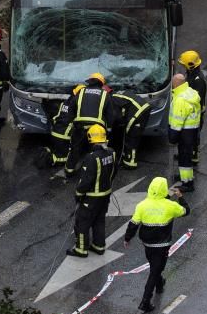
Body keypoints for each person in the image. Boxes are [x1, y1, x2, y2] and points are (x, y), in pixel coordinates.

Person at [123, 177, 190, 313]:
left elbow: (133, 224)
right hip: (162, 245)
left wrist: (127, 238)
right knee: (155, 270)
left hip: (147, 244)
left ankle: (159, 283)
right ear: (164, 190)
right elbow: (186, 211)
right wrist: (180, 197)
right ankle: (145, 301)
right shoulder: (170, 206)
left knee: (155, 266)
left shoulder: (142, 205)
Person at [66, 125, 116, 258]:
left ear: (90, 138)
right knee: (99, 220)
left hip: (92, 197)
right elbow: (114, 172)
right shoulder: (112, 153)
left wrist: (78, 193)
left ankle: (81, 249)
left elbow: (86, 180)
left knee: (82, 221)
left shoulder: (91, 157)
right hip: (105, 194)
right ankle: (99, 246)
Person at [63, 73, 116, 177]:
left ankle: (69, 170)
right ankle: (94, 172)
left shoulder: (81, 92)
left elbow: (71, 107)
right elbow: (110, 113)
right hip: (97, 128)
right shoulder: (105, 94)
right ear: (101, 83)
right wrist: (109, 128)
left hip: (80, 126)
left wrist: (71, 122)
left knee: (75, 149)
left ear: (90, 82)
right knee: (97, 150)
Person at [168, 73, 202, 192]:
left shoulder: (180, 100)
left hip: (184, 132)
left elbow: (177, 121)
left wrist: (172, 137)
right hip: (192, 130)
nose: (172, 85)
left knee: (184, 157)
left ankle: (187, 183)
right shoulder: (191, 92)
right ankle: (185, 177)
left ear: (176, 84)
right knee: (186, 156)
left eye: (173, 83)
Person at [178, 50, 206, 165]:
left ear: (191, 66)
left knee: (193, 135)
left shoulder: (198, 81)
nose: (183, 67)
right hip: (189, 111)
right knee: (186, 135)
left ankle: (193, 155)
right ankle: (187, 152)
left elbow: (196, 99)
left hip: (195, 113)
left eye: (184, 65)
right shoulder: (190, 75)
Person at [112, 90, 150, 169]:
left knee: (131, 138)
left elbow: (117, 117)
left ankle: (130, 164)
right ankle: (126, 157)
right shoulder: (116, 94)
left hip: (138, 112)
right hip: (143, 108)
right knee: (131, 135)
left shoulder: (111, 100)